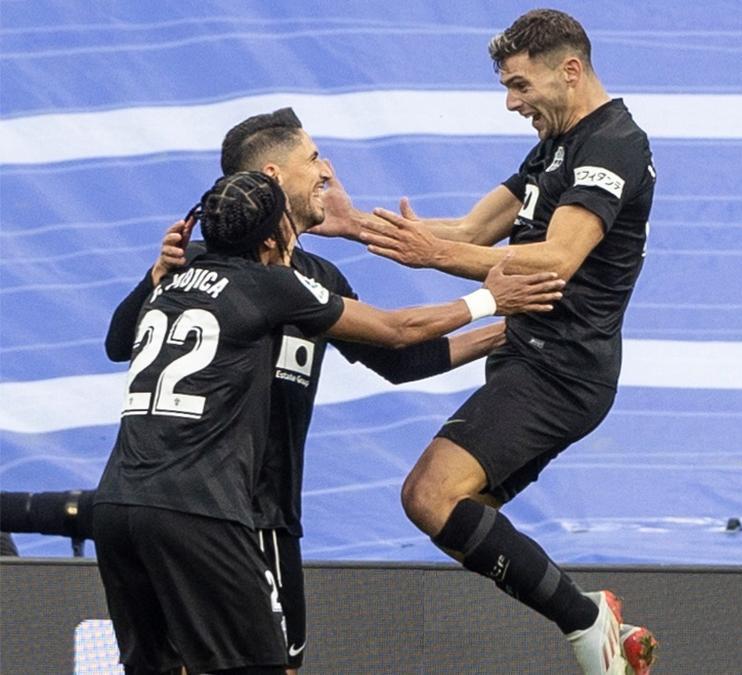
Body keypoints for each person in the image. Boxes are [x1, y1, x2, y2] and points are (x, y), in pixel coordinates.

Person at [93, 170, 563, 675]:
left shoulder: (174, 277)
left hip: (115, 505)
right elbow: (396, 329)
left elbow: (117, 344)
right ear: (272, 238)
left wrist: (156, 272)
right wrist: (489, 299)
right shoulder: (271, 283)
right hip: (198, 509)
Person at [314, 9, 658, 674]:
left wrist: (432, 255)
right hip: (526, 360)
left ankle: (591, 624)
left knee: (429, 494)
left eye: (520, 86)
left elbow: (557, 258)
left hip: (561, 372)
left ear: (570, 70)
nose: (511, 103)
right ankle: (598, 624)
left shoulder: (613, 141)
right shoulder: (557, 140)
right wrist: (356, 224)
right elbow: (472, 230)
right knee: (457, 515)